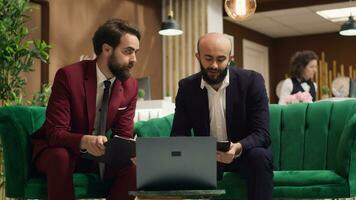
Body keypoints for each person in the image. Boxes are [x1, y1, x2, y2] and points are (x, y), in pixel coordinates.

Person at [31, 19, 140, 200]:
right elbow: (55, 133)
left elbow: (123, 135)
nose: (134, 59)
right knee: (61, 157)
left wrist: (129, 151)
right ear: (106, 49)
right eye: (128, 51)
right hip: (57, 149)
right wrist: (84, 141)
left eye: (136, 52)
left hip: (98, 155)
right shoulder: (69, 76)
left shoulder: (130, 86)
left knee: (133, 168)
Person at [171, 33, 273, 200]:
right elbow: (178, 134)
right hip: (205, 157)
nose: (215, 65)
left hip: (243, 153)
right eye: (208, 58)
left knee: (261, 157)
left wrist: (236, 147)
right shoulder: (186, 87)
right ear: (198, 56)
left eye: (221, 59)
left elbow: (262, 134)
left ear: (230, 58)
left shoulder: (252, 81)